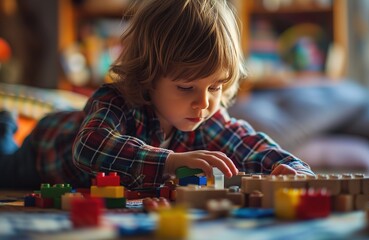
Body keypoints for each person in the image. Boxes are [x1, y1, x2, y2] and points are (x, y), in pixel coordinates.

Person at [0, 0, 313, 189]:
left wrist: (293, 168)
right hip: (42, 154)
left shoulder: (206, 116)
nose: (204, 103)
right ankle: (7, 126)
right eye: (185, 87)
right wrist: (171, 161)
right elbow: (88, 149)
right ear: (148, 77)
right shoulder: (116, 101)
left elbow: (249, 143)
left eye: (215, 87)